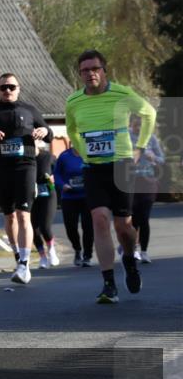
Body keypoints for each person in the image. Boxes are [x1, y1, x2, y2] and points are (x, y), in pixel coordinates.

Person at [65, 49, 156, 303]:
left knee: (123, 226)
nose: (90, 73)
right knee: (99, 219)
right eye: (85, 70)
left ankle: (129, 259)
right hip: (94, 168)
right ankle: (108, 284)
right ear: (80, 74)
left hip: (122, 165)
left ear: (104, 70)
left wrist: (141, 148)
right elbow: (71, 129)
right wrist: (82, 151)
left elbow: (149, 113)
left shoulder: (122, 94)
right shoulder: (73, 101)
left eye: (95, 69)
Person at [0, 74, 53, 285]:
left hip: (26, 166)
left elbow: (49, 133)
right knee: (9, 216)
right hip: (3, 169)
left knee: (24, 214)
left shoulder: (29, 110)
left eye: (11, 87)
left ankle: (25, 264)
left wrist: (44, 130)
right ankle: (18, 257)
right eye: (3, 88)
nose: (7, 90)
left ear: (18, 88)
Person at [128, 114, 165, 264]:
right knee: (133, 219)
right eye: (136, 126)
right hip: (130, 182)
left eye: (141, 126)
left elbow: (162, 159)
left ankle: (144, 252)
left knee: (144, 218)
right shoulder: (125, 138)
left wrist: (154, 158)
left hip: (148, 182)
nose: (138, 129)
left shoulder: (152, 138)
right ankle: (132, 248)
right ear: (130, 125)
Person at [54, 146, 94, 267]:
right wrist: (62, 185)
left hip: (87, 197)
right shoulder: (64, 156)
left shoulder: (89, 153)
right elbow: (56, 174)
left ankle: (87, 255)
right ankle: (77, 249)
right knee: (70, 227)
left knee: (88, 227)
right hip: (69, 197)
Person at [30, 140, 60, 269]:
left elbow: (59, 173)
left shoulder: (48, 157)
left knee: (45, 226)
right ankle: (42, 257)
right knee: (33, 230)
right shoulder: (25, 160)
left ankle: (52, 251)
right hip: (32, 197)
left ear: (37, 143)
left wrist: (54, 179)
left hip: (48, 194)